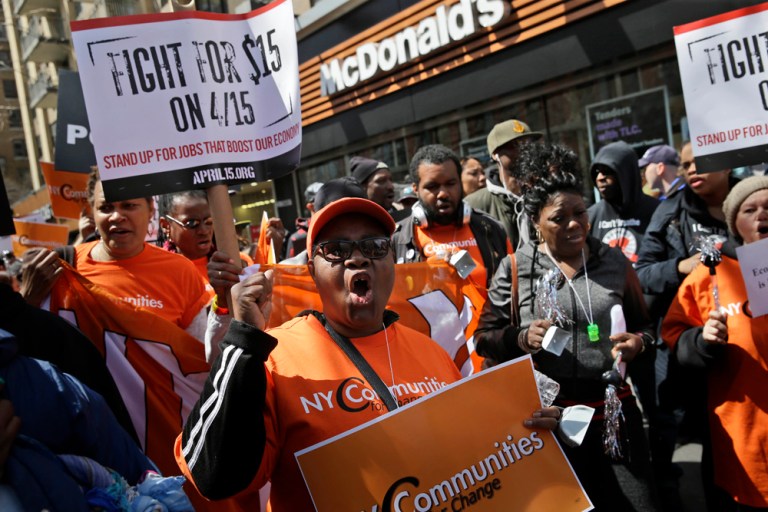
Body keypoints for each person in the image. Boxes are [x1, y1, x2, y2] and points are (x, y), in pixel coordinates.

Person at [175, 197, 561, 510]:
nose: (357, 258)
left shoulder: (432, 354)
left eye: (375, 247)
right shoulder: (273, 356)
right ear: (312, 270)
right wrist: (242, 341)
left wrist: (522, 430)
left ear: (391, 262)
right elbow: (214, 477)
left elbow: (468, 461)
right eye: (336, 250)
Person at [474, 142, 658, 511]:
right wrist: (522, 338)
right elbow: (483, 339)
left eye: (581, 213)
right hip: (549, 422)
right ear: (537, 223)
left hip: (615, 412)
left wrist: (639, 343)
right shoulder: (516, 267)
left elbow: (647, 327)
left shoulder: (614, 262)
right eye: (559, 218)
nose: (574, 224)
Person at [661, 175, 768, 511]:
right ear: (733, 222)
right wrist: (702, 340)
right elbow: (674, 333)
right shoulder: (711, 274)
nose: (761, 215)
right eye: (750, 209)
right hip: (743, 435)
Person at [19, 168, 210, 338]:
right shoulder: (60, 268)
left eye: (128, 205)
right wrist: (27, 299)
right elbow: (24, 340)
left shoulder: (181, 271)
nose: (117, 216)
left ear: (151, 209)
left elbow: (199, 357)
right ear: (92, 213)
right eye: (106, 208)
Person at [392, 144, 511, 293]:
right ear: (416, 189)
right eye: (432, 186)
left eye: (450, 184)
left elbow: (512, 293)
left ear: (460, 183)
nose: (443, 194)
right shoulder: (397, 240)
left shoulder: (491, 230)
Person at [465, 119, 542, 248]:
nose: (523, 151)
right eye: (514, 145)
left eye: (528, 145)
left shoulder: (544, 192)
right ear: (495, 155)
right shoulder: (474, 205)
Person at [589, 140, 660, 264]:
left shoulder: (658, 212)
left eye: (607, 171)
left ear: (626, 173)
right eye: (597, 172)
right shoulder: (589, 217)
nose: (600, 177)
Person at [159, 190, 215, 300]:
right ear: (166, 226)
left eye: (208, 221)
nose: (204, 231)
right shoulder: (157, 274)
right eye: (192, 223)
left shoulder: (237, 262)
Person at [284, 182, 322, 259]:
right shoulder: (296, 239)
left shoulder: (337, 228)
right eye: (322, 201)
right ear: (310, 206)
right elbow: (289, 268)